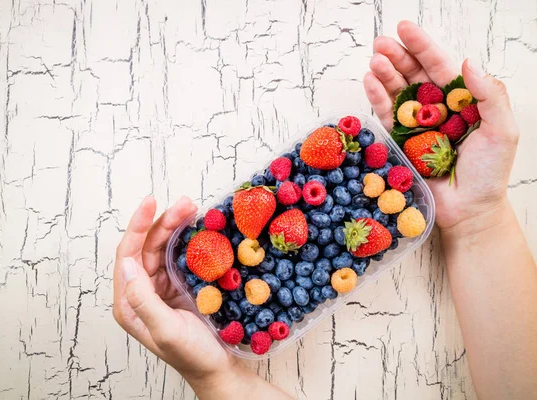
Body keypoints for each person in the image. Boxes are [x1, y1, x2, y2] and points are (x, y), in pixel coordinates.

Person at [113, 21, 537, 400]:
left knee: (303, 269)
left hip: (331, 220)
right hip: (304, 227)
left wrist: (221, 382)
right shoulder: (298, 206)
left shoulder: (342, 203)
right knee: (297, 266)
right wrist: (478, 220)